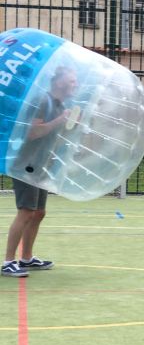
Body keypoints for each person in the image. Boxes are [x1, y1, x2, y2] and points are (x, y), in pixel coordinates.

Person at [3, 66, 77, 277]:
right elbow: (33, 133)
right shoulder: (42, 101)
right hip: (26, 164)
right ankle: (8, 262)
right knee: (26, 211)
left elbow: (52, 134)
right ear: (59, 82)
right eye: (72, 81)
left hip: (40, 163)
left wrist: (69, 124)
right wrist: (60, 121)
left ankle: (26, 258)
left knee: (39, 212)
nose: (76, 85)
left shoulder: (59, 104)